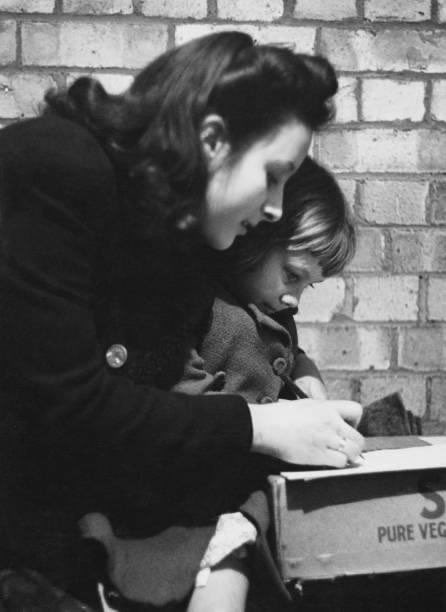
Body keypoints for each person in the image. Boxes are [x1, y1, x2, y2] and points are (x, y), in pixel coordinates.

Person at [0, 31, 363, 610]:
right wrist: (265, 428)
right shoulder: (57, 167)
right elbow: (72, 408)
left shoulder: (173, 237)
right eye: (273, 175)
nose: (274, 208)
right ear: (214, 139)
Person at [174, 157, 356, 612]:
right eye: (292, 274)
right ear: (254, 236)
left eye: (307, 285)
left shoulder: (272, 309)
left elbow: (289, 354)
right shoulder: (200, 302)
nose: (294, 297)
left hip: (261, 478)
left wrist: (307, 377)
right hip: (198, 493)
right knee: (226, 556)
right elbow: (180, 391)